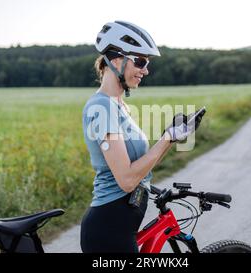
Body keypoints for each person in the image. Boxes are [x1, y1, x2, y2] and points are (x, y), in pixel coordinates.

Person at [80, 20, 202, 253]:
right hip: (109, 230)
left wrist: (173, 137)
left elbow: (139, 166)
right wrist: (166, 138)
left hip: (122, 223)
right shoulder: (101, 108)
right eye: (141, 61)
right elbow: (126, 180)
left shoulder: (118, 105)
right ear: (116, 60)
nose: (145, 70)